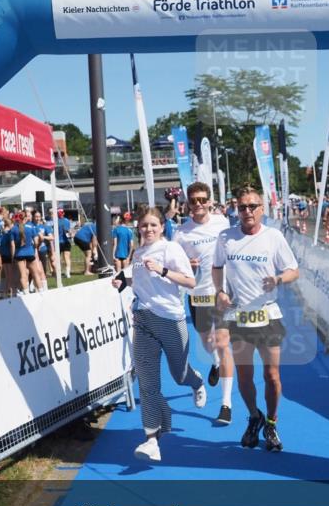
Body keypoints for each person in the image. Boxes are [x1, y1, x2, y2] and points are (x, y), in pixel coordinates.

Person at [112, 207, 207, 463]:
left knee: (179, 375)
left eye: (153, 225)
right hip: (143, 320)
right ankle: (152, 439)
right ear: (138, 228)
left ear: (162, 227)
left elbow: (190, 282)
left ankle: (196, 381)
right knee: (147, 383)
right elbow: (144, 284)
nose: (148, 229)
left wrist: (163, 270)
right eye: (144, 226)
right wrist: (125, 281)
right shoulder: (139, 253)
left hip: (171, 320)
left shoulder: (170, 249)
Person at [212, 186, 299, 452]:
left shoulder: (273, 237)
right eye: (242, 207)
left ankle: (271, 423)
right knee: (244, 376)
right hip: (239, 316)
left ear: (262, 209)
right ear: (236, 209)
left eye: (252, 206)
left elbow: (293, 270)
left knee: (272, 375)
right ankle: (254, 416)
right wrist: (220, 292)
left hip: (268, 315)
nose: (247, 212)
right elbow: (217, 268)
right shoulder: (226, 237)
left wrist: (278, 279)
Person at [173, 182, 234, 424]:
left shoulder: (223, 223)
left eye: (202, 199)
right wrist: (189, 264)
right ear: (187, 203)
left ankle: (226, 405)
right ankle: (216, 364)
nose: (198, 204)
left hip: (221, 291)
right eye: (193, 200)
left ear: (209, 201)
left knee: (222, 342)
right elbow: (175, 264)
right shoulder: (181, 233)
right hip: (197, 295)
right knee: (206, 342)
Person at [56, 208, 73, 279]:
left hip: (61, 242)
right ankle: (67, 273)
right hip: (62, 241)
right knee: (65, 258)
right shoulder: (66, 221)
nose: (60, 214)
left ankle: (65, 273)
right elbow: (68, 231)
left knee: (61, 258)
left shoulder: (56, 221)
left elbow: (68, 231)